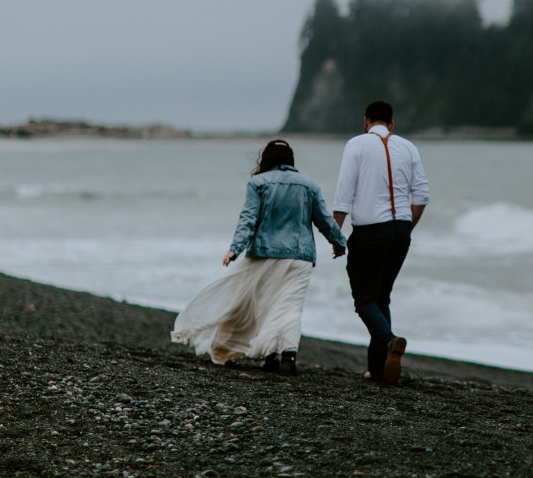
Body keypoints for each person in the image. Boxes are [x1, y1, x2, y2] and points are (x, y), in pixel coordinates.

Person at [172, 139, 346, 376]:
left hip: (265, 254)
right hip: (300, 257)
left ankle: (271, 356)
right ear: (290, 161)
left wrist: (235, 249)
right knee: (290, 306)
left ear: (267, 160)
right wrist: (339, 243)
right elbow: (324, 219)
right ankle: (288, 356)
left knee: (265, 306)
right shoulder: (309, 185)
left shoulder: (258, 183)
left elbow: (248, 219)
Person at [333, 100, 429, 384]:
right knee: (381, 296)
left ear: (366, 122)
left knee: (364, 299)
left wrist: (336, 236)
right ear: (391, 124)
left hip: (370, 232)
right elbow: (421, 197)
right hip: (401, 230)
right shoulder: (409, 147)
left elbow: (343, 196)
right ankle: (378, 369)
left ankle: (389, 341)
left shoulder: (356, 145)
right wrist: (405, 228)